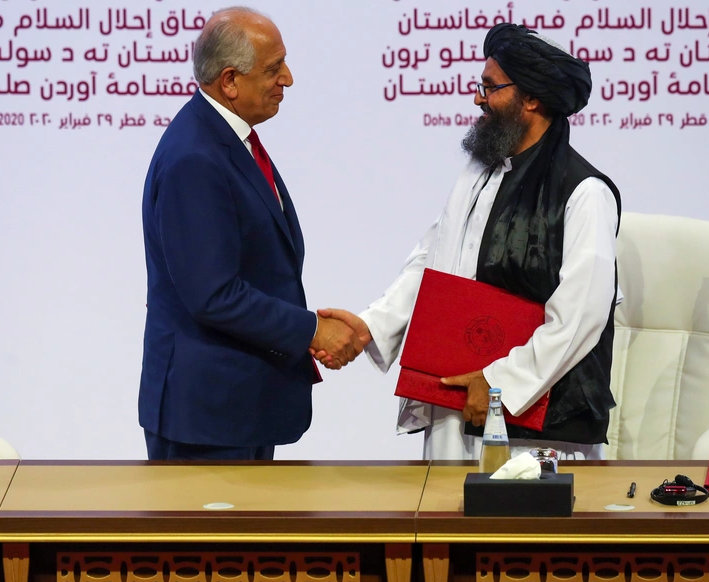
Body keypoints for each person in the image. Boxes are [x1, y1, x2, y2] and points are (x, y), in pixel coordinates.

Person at [317, 23, 621, 460]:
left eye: (490, 87)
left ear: (531, 98)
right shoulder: (480, 173)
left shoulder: (585, 192)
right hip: (455, 403)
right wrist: (372, 326)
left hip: (536, 429)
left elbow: (580, 318)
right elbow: (432, 261)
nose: (478, 98)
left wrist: (500, 385)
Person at [138, 7, 361, 460]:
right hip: (207, 418)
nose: (289, 79)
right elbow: (214, 294)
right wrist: (312, 330)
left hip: (238, 406)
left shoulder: (224, 139)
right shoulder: (195, 159)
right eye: (274, 69)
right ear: (230, 81)